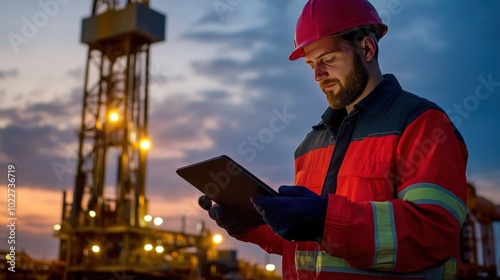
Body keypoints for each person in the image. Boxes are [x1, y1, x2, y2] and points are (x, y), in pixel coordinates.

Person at [198, 0, 468, 279]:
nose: (317, 75)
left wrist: (324, 220)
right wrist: (252, 225)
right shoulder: (311, 144)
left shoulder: (422, 124)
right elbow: (309, 246)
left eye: (327, 60)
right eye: (311, 65)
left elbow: (434, 233)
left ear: (367, 48)